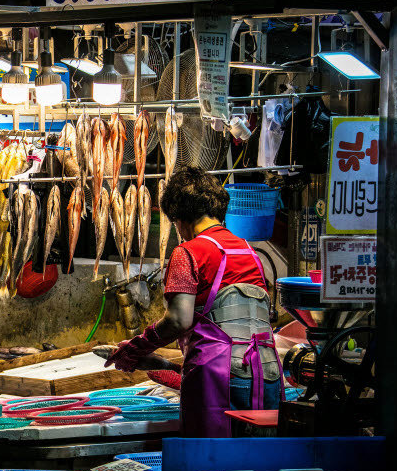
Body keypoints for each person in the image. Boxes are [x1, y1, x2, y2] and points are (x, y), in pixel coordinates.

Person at [105, 167, 281, 437]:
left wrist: (136, 348)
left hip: (217, 379)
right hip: (266, 373)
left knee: (211, 464)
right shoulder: (249, 252)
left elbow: (179, 319)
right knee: (254, 464)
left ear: (179, 217)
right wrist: (168, 365)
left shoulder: (188, 251)